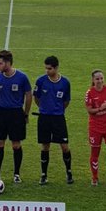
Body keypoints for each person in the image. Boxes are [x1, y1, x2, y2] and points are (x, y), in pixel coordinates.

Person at [0, 50, 31, 184]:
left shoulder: (22, 77)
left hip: (16, 113)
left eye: (0, 63)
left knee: (16, 145)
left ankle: (16, 174)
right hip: (2, 113)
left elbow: (29, 96)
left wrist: (26, 114)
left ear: (8, 63)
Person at [34, 55, 74, 185]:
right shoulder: (40, 81)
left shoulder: (65, 83)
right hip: (44, 117)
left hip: (58, 118)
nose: (47, 71)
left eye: (49, 68)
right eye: (46, 68)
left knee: (64, 146)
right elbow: (37, 98)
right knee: (45, 146)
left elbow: (66, 101)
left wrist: (57, 110)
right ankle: (44, 174)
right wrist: (45, 109)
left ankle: (69, 172)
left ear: (56, 68)